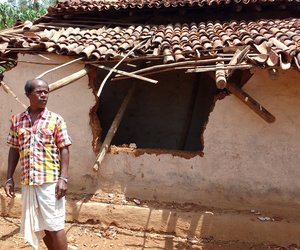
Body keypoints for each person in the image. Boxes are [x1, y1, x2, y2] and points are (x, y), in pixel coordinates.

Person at [4, 78, 72, 250]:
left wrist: (63, 178)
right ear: (28, 94)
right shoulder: (17, 120)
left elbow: (64, 149)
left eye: (46, 92)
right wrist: (9, 178)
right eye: (39, 92)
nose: (44, 95)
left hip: (50, 181)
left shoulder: (55, 119)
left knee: (55, 225)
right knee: (40, 226)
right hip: (29, 182)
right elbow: (14, 149)